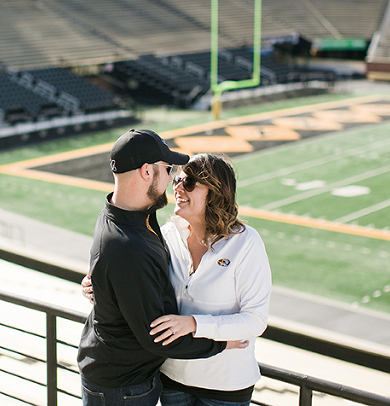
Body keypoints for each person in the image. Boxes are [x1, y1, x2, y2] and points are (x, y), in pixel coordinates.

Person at [84, 153, 271, 406]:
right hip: (171, 379)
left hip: (226, 385)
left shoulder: (246, 242)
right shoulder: (167, 234)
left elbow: (255, 320)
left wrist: (194, 324)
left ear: (216, 192)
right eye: (178, 180)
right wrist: (100, 285)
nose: (179, 187)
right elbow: (141, 283)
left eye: (190, 183)